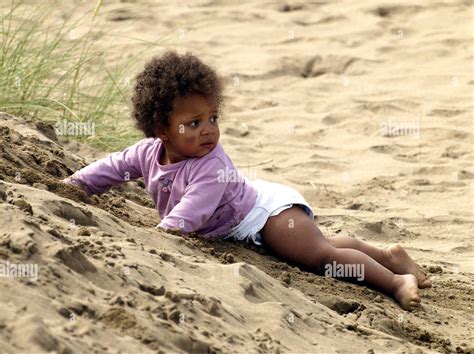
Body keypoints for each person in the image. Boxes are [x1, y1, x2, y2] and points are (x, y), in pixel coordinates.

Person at [63, 51, 431, 311]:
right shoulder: (146, 153)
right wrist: (75, 185)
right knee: (316, 242)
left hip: (263, 214)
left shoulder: (210, 164)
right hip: (241, 215)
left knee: (320, 255)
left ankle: (394, 281)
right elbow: (112, 168)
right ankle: (389, 255)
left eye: (213, 118)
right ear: (161, 129)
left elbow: (191, 213)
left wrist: (162, 234)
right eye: (194, 123)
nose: (209, 130)